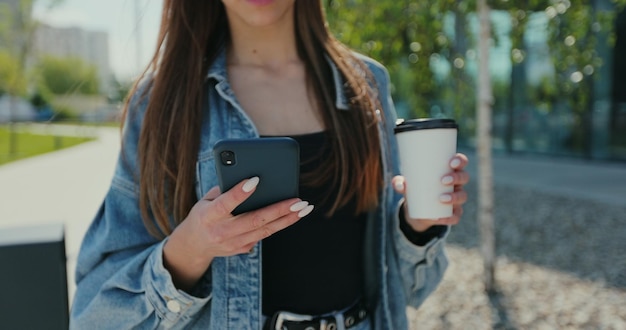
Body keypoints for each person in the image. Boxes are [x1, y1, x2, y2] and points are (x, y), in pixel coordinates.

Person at [70, 1, 470, 329]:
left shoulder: (367, 83)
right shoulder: (162, 102)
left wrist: (417, 226)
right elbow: (94, 314)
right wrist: (189, 250)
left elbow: (407, 288)